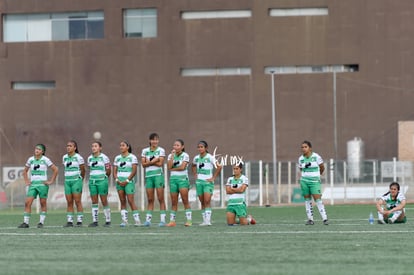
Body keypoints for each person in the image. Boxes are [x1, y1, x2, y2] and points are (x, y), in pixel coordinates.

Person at [18, 144, 59, 228]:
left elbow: (56, 169)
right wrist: (26, 181)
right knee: (27, 203)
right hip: (33, 185)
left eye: (39, 149)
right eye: (36, 148)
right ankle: (26, 223)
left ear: (42, 152)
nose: (37, 150)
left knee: (42, 203)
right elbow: (24, 171)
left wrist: (51, 181)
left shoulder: (45, 159)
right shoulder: (30, 159)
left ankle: (41, 222)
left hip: (42, 185)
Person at [298, 140, 328, 225]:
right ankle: (310, 219)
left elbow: (322, 167)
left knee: (318, 199)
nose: (303, 149)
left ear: (310, 148)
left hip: (315, 181)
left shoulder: (316, 156)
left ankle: (325, 218)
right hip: (304, 181)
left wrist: (319, 175)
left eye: (305, 147)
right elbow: (301, 169)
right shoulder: (300, 159)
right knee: (307, 200)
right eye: (302, 147)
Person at [191, 140, 222, 226]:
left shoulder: (210, 157)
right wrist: (195, 174)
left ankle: (208, 221)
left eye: (202, 147)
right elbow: (193, 165)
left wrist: (213, 177)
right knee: (202, 201)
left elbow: (219, 167)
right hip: (199, 182)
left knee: (207, 200)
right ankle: (204, 221)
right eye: (199, 147)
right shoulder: (196, 158)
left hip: (208, 182)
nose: (200, 149)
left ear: (206, 148)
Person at [113, 141, 141, 227]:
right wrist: (117, 180)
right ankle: (124, 221)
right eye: (120, 145)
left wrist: (127, 180)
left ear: (127, 147)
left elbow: (134, 171)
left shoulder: (132, 157)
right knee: (122, 201)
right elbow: (115, 171)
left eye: (123, 145)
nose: (121, 147)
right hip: (119, 182)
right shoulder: (117, 158)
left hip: (128, 182)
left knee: (130, 200)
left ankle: (137, 221)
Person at [141, 133, 167, 227]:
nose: (154, 141)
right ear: (150, 140)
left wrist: (150, 162)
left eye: (156, 140)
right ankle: (148, 220)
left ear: (158, 140)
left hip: (158, 176)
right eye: (153, 140)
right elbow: (143, 165)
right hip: (148, 177)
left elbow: (160, 164)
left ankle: (163, 220)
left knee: (160, 198)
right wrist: (155, 160)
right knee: (150, 199)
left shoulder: (161, 150)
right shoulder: (145, 151)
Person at [166, 139, 192, 227]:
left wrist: (173, 169)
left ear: (182, 147)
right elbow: (169, 166)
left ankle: (189, 220)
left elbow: (182, 167)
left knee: (185, 200)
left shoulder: (185, 155)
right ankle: (172, 221)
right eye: (174, 145)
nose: (175, 147)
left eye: (177, 145)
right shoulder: (170, 155)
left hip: (183, 180)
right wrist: (172, 156)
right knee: (174, 201)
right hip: (173, 180)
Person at [87, 141, 112, 227]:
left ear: (100, 148)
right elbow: (90, 168)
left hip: (102, 181)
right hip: (92, 181)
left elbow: (108, 170)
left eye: (96, 146)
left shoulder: (104, 157)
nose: (93, 148)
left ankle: (108, 220)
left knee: (104, 200)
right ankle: (95, 221)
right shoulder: (89, 158)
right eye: (92, 146)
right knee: (94, 201)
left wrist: (104, 178)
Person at [62, 140, 85, 227]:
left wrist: (80, 179)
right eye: (67, 146)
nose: (68, 147)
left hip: (76, 180)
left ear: (75, 148)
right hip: (67, 181)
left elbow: (83, 170)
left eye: (70, 146)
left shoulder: (78, 157)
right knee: (69, 201)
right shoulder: (64, 157)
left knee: (77, 201)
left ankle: (79, 221)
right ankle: (70, 221)